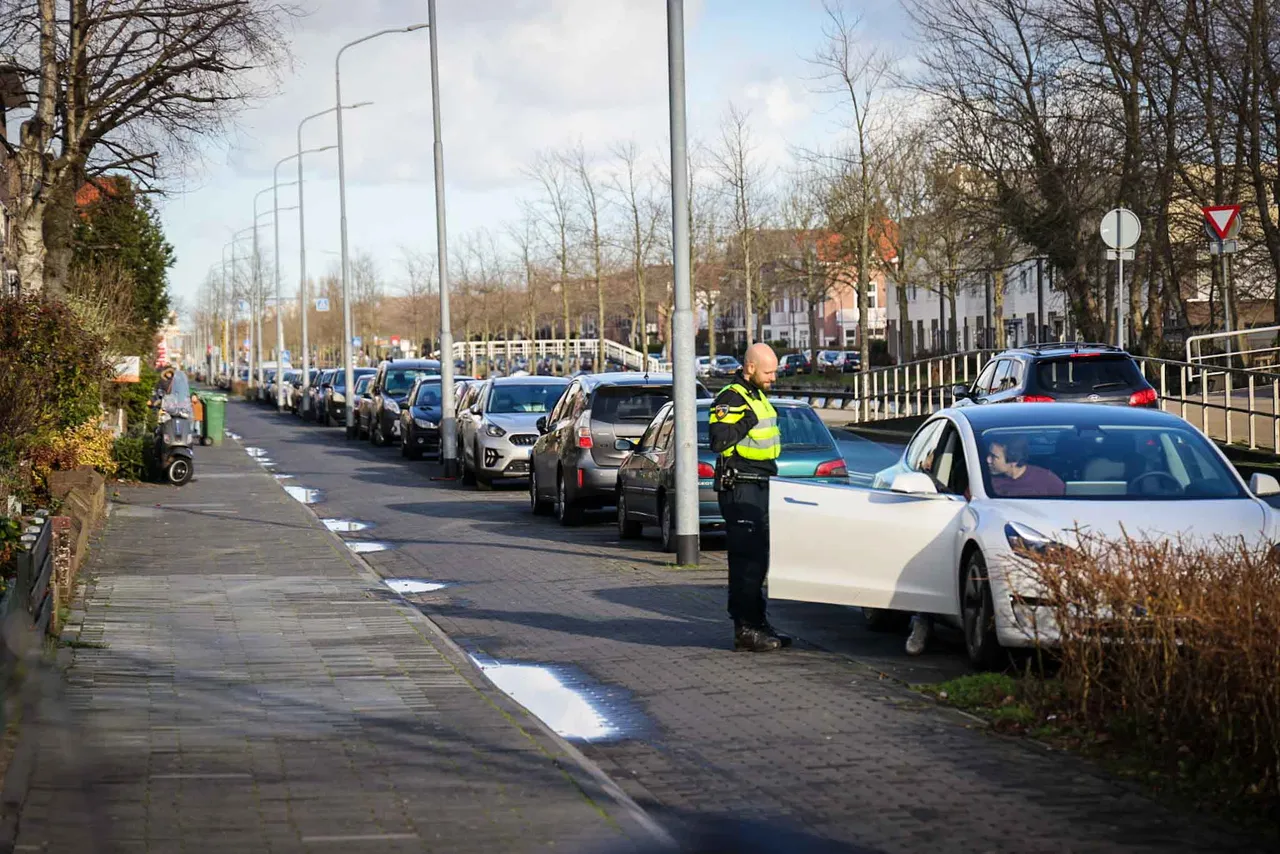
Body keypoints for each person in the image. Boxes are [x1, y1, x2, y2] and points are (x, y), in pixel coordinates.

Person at [708, 343, 787, 653]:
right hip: (740, 486)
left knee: (760, 560)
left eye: (775, 372)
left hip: (760, 484)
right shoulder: (731, 397)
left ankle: (758, 622)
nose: (773, 378)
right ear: (750, 368)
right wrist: (746, 421)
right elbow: (718, 440)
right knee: (746, 562)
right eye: (768, 372)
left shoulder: (756, 395)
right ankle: (745, 629)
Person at [987, 435, 1065, 497]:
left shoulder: (1047, 480)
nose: (988, 460)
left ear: (1013, 460)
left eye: (993, 457)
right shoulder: (985, 482)